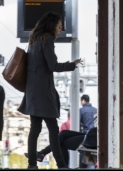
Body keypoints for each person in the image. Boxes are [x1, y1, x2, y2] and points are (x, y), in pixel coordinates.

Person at [18, 12, 82, 169]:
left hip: (32, 91)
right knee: (53, 129)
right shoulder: (47, 39)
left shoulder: (34, 39)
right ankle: (61, 164)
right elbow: (53, 66)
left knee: (35, 129)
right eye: (59, 26)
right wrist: (72, 64)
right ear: (52, 25)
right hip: (43, 93)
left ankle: (32, 164)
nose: (60, 30)